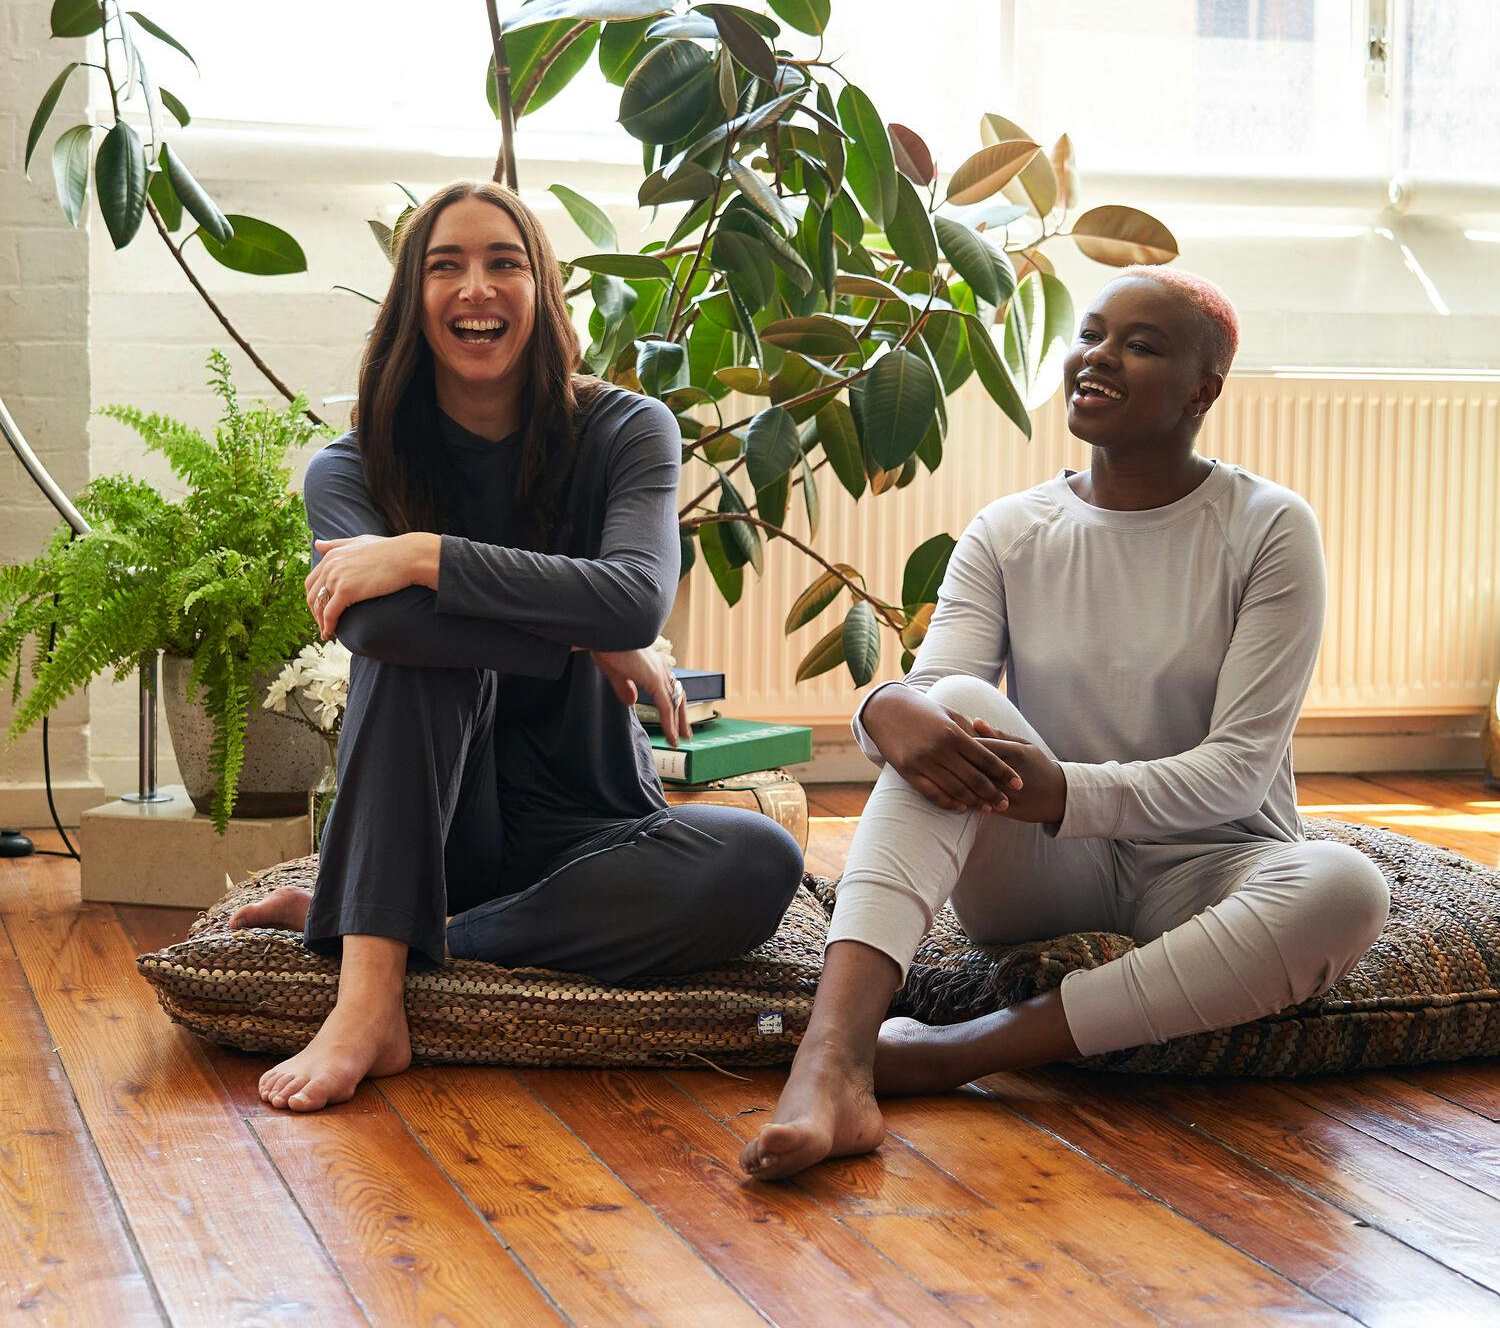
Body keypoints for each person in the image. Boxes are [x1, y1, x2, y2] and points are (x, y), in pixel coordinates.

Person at [739, 265, 1391, 1182]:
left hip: (1210, 860)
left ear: (1205, 388)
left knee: (1347, 885)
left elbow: (1240, 771)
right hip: (1041, 871)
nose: (1099, 356)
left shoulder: (1268, 527)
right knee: (952, 708)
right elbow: (939, 702)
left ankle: (956, 1051)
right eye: (1091, 333)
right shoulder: (1011, 528)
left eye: (1142, 344)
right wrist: (880, 705)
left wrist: (1064, 789)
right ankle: (832, 1060)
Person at [229, 180, 804, 1113]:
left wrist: (425, 556)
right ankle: (368, 1003)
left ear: (544, 291)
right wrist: (581, 641)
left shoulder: (626, 431)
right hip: (431, 825)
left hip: (593, 826)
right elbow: (372, 626)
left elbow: (635, 599)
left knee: (759, 860)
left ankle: (417, 932)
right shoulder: (353, 466)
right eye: (445, 265)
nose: (476, 287)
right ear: (411, 301)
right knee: (419, 654)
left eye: (506, 262)